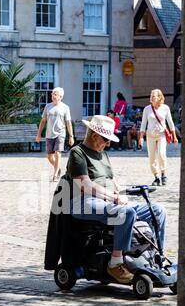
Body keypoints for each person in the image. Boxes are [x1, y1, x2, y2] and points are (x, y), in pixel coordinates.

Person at [66, 115, 166, 284]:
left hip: (107, 200)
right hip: (84, 202)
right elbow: (85, 184)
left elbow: (113, 182)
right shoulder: (78, 153)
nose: (108, 144)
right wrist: (113, 197)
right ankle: (116, 262)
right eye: (106, 140)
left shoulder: (103, 154)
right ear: (95, 135)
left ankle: (156, 256)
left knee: (157, 210)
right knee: (124, 213)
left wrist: (124, 192)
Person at [140, 89, 178, 186]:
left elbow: (170, 122)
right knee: (152, 158)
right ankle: (156, 176)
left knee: (162, 154)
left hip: (161, 135)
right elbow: (143, 124)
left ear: (159, 97)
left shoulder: (165, 108)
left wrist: (174, 136)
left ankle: (163, 174)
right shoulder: (147, 109)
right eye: (151, 96)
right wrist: (141, 137)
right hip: (150, 136)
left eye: (153, 96)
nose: (151, 98)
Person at [36, 87, 74, 181]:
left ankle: (56, 174)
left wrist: (71, 136)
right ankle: (58, 168)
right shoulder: (48, 106)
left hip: (60, 133)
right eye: (52, 94)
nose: (53, 96)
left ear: (61, 96)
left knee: (58, 153)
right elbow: (43, 121)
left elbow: (68, 122)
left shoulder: (65, 108)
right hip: (49, 134)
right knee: (49, 156)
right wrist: (38, 134)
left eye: (55, 94)